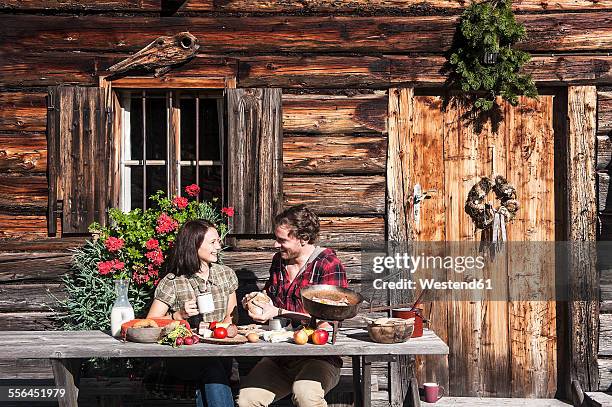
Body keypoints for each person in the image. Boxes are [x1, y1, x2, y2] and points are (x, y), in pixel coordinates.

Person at [237, 204, 348, 407]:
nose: (275, 245)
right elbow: (270, 296)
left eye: (282, 240)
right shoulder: (279, 262)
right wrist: (256, 301)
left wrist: (278, 311)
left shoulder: (328, 265)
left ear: (303, 238)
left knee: (305, 395)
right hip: (280, 357)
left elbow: (330, 321)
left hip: (318, 358)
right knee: (247, 399)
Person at [146, 219, 238, 407]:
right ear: (194, 245)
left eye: (218, 241)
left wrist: (221, 329)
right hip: (185, 356)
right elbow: (150, 322)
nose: (218, 247)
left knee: (213, 365)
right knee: (210, 365)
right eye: (212, 242)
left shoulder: (225, 274)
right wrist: (177, 316)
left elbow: (232, 315)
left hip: (220, 350)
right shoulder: (173, 281)